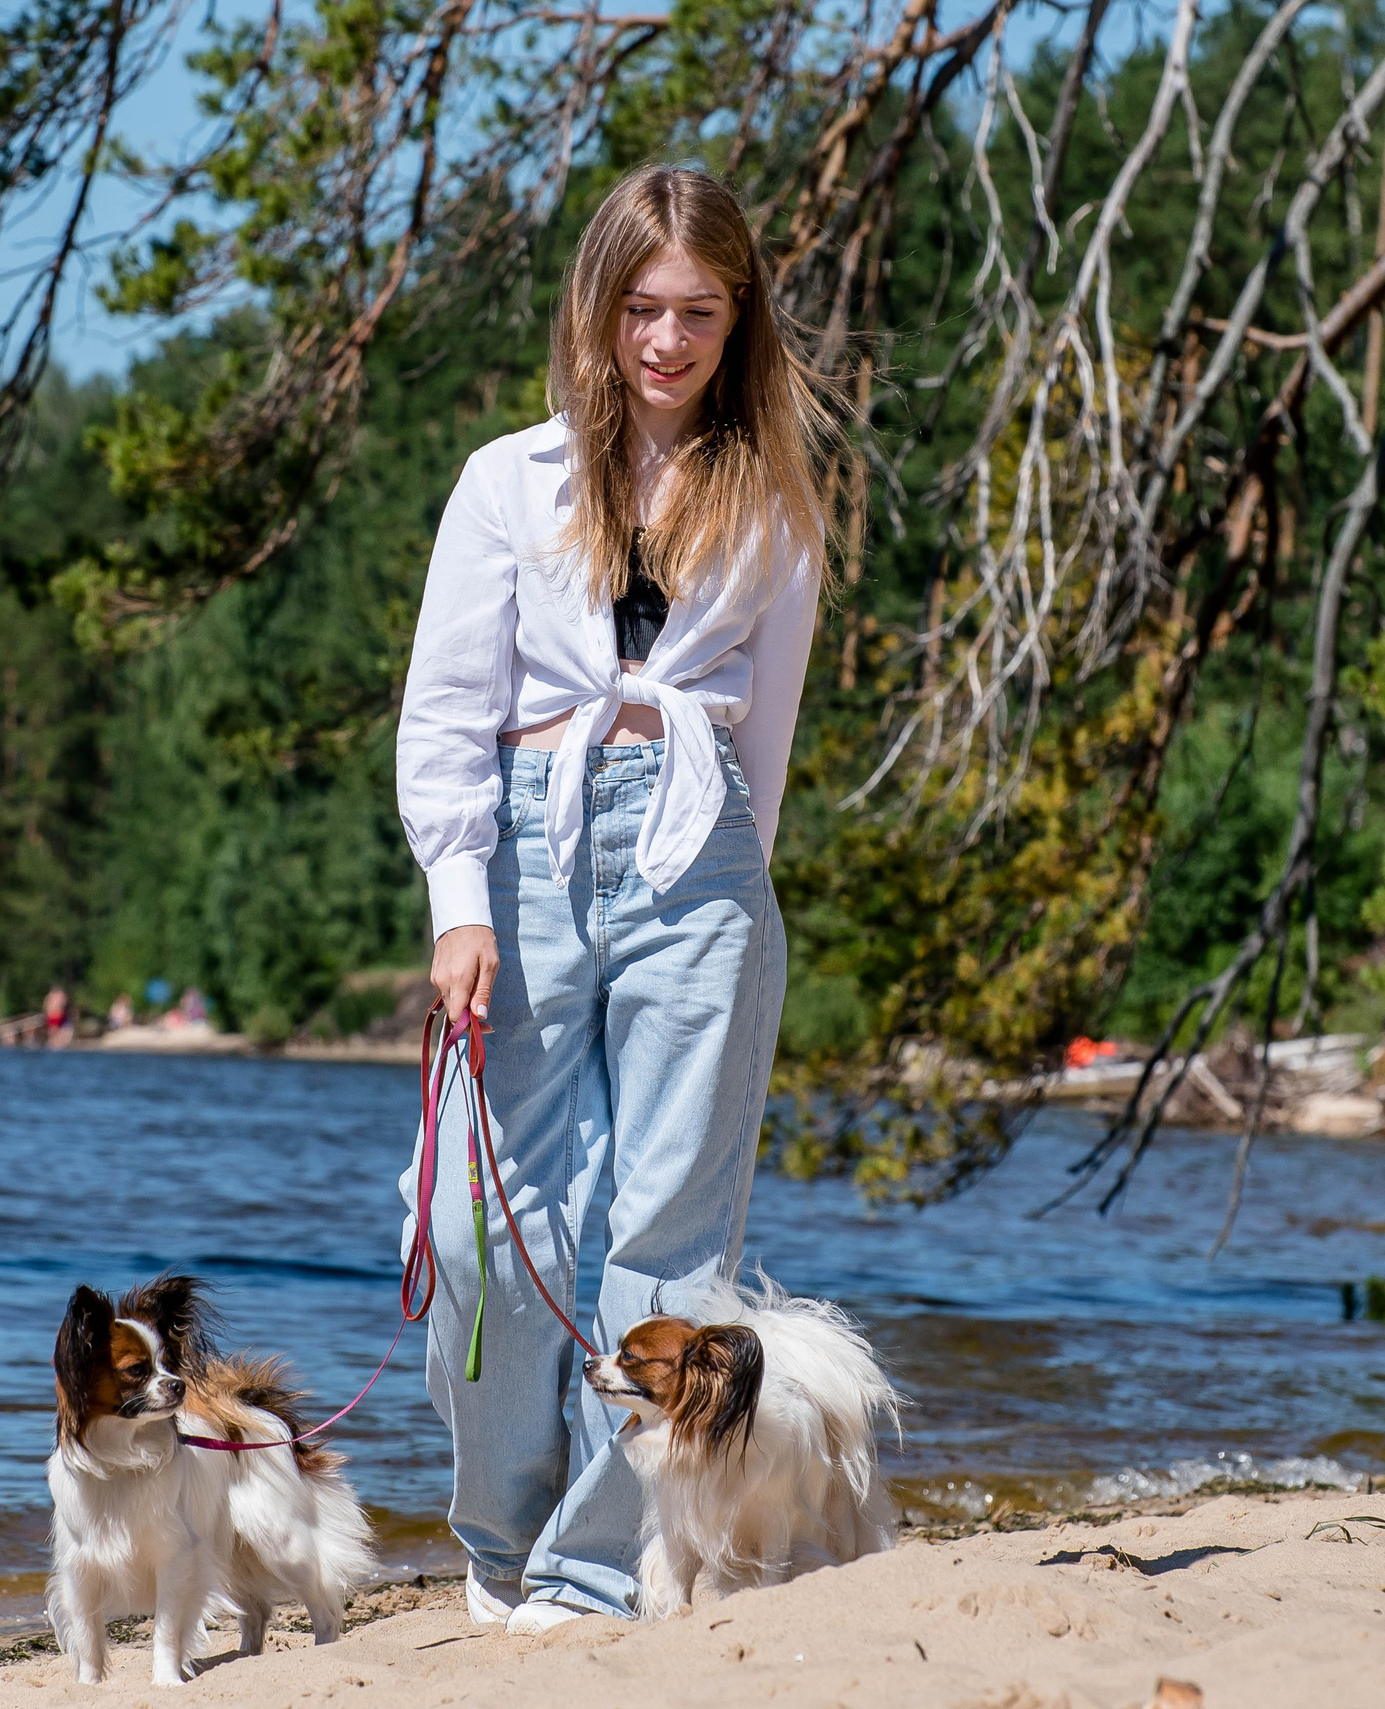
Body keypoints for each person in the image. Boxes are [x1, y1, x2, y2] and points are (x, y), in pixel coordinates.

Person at [394, 164, 829, 1631]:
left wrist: (731, 884)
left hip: (701, 856)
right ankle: (503, 1529)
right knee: (480, 1227)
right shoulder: (505, 480)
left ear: (738, 317)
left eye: (699, 311)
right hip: (521, 851)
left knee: (668, 1247)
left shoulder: (773, 496)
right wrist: (463, 895)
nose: (666, 339)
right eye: (642, 307)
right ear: (598, 307)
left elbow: (765, 726)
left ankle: (592, 1574)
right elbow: (446, 708)